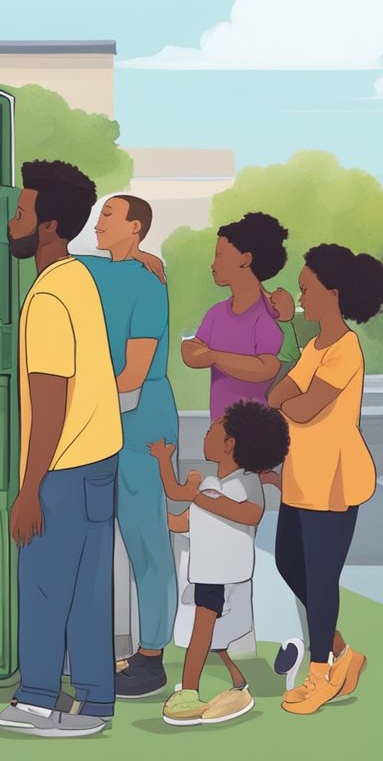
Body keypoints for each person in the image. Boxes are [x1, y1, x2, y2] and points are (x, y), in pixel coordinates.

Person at [0, 161, 122, 738]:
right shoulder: (78, 279)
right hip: (101, 455)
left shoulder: (46, 296)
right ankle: (95, 701)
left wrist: (29, 490)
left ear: (48, 227)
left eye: (21, 213)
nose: (11, 221)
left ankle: (38, 699)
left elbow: (50, 401)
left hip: (62, 463)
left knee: (45, 581)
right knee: (90, 587)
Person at [267, 243, 382, 715]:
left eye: (307, 289)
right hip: (301, 477)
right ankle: (342, 652)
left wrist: (293, 402)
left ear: (333, 294)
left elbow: (304, 405)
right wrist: (293, 401)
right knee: (288, 563)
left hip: (333, 480)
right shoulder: (315, 346)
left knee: (320, 579)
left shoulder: (345, 350)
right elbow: (280, 394)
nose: (300, 297)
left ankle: (320, 676)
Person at [79, 195, 181, 698]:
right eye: (99, 215)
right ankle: (107, 644)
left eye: (109, 217)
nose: (98, 224)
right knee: (100, 537)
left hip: (143, 424)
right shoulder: (95, 271)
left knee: (145, 540)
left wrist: (76, 396)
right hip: (103, 420)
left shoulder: (149, 285)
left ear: (135, 227)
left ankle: (153, 656)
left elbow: (134, 373)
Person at [150, 401, 289, 726]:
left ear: (230, 444)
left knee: (203, 634)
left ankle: (188, 691)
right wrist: (162, 465)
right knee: (216, 639)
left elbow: (250, 514)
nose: (207, 432)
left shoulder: (246, 483)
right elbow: (184, 517)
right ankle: (238, 683)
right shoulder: (210, 485)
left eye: (214, 429)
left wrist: (200, 498)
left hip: (225, 576)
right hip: (207, 573)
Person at [182, 213, 292, 422]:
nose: (213, 265)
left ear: (245, 259)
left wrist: (214, 356)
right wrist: (202, 353)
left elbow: (266, 368)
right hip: (220, 427)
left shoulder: (268, 315)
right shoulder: (217, 313)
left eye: (220, 255)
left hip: (257, 429)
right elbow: (190, 350)